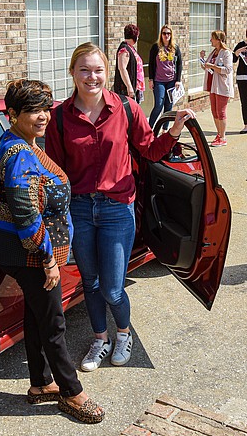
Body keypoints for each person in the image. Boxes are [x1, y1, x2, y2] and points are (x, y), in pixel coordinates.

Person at [45, 42, 195, 372]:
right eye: (84, 69)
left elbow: (150, 151)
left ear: (107, 73)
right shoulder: (59, 117)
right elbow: (55, 170)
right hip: (80, 209)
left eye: (98, 70)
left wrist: (175, 130)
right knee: (91, 283)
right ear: (72, 73)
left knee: (113, 288)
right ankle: (101, 339)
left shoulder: (126, 108)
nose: (91, 76)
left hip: (116, 209)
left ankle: (123, 333)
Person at [0, 79, 105, 423]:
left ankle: (40, 383)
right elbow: (26, 216)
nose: (42, 116)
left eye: (45, 109)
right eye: (32, 111)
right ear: (12, 114)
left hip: (23, 252)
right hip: (33, 255)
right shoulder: (19, 155)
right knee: (54, 323)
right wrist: (48, 260)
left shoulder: (15, 141)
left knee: (38, 314)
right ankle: (71, 393)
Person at [199, 30, 233, 146]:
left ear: (218, 40)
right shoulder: (214, 52)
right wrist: (202, 59)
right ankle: (219, 134)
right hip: (212, 85)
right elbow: (207, 68)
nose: (210, 40)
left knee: (221, 112)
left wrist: (212, 66)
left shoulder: (226, 53)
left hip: (222, 86)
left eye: (212, 38)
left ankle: (223, 137)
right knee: (214, 111)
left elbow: (228, 70)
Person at [148, 24, 184, 131]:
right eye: (164, 33)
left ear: (171, 35)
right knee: (159, 104)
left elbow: (179, 64)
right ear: (161, 35)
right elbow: (151, 64)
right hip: (159, 81)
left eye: (169, 33)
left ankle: (165, 129)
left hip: (171, 81)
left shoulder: (175, 48)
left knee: (168, 106)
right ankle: (149, 128)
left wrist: (178, 80)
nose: (166, 35)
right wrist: (151, 79)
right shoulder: (156, 47)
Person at [113, 24, 145, 103]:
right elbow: (122, 69)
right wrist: (129, 87)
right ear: (134, 36)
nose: (137, 38)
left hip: (135, 86)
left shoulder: (130, 47)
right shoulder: (124, 50)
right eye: (137, 36)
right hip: (126, 89)